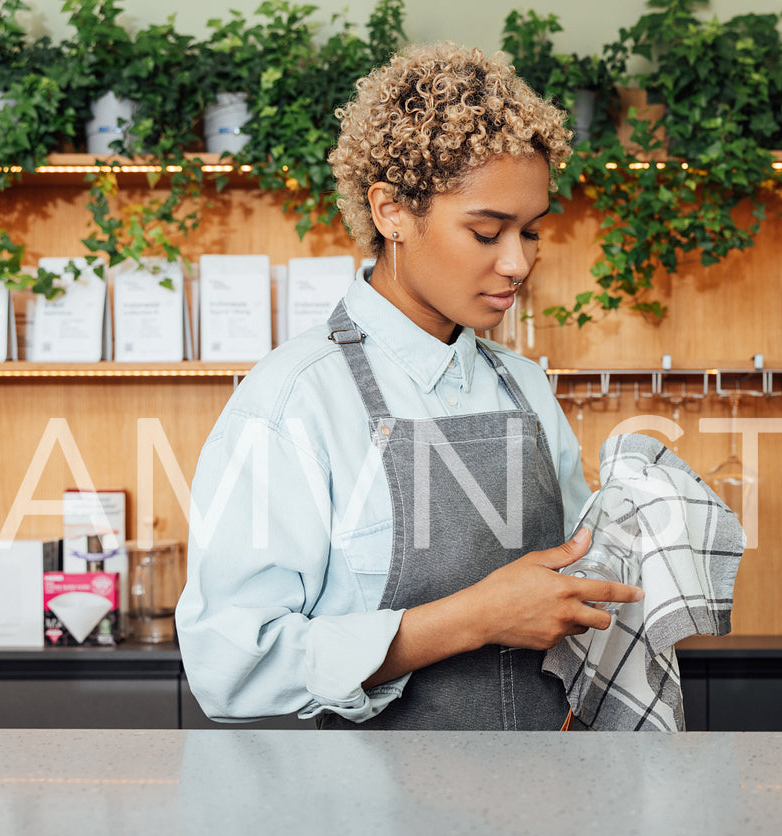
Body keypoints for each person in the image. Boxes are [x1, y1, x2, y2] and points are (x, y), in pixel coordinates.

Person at [176, 43, 642, 729]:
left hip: (547, 806)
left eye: (532, 232)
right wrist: (473, 620)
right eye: (486, 232)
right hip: (371, 822)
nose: (517, 263)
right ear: (391, 210)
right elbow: (231, 668)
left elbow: (577, 586)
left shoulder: (523, 388)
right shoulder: (294, 401)